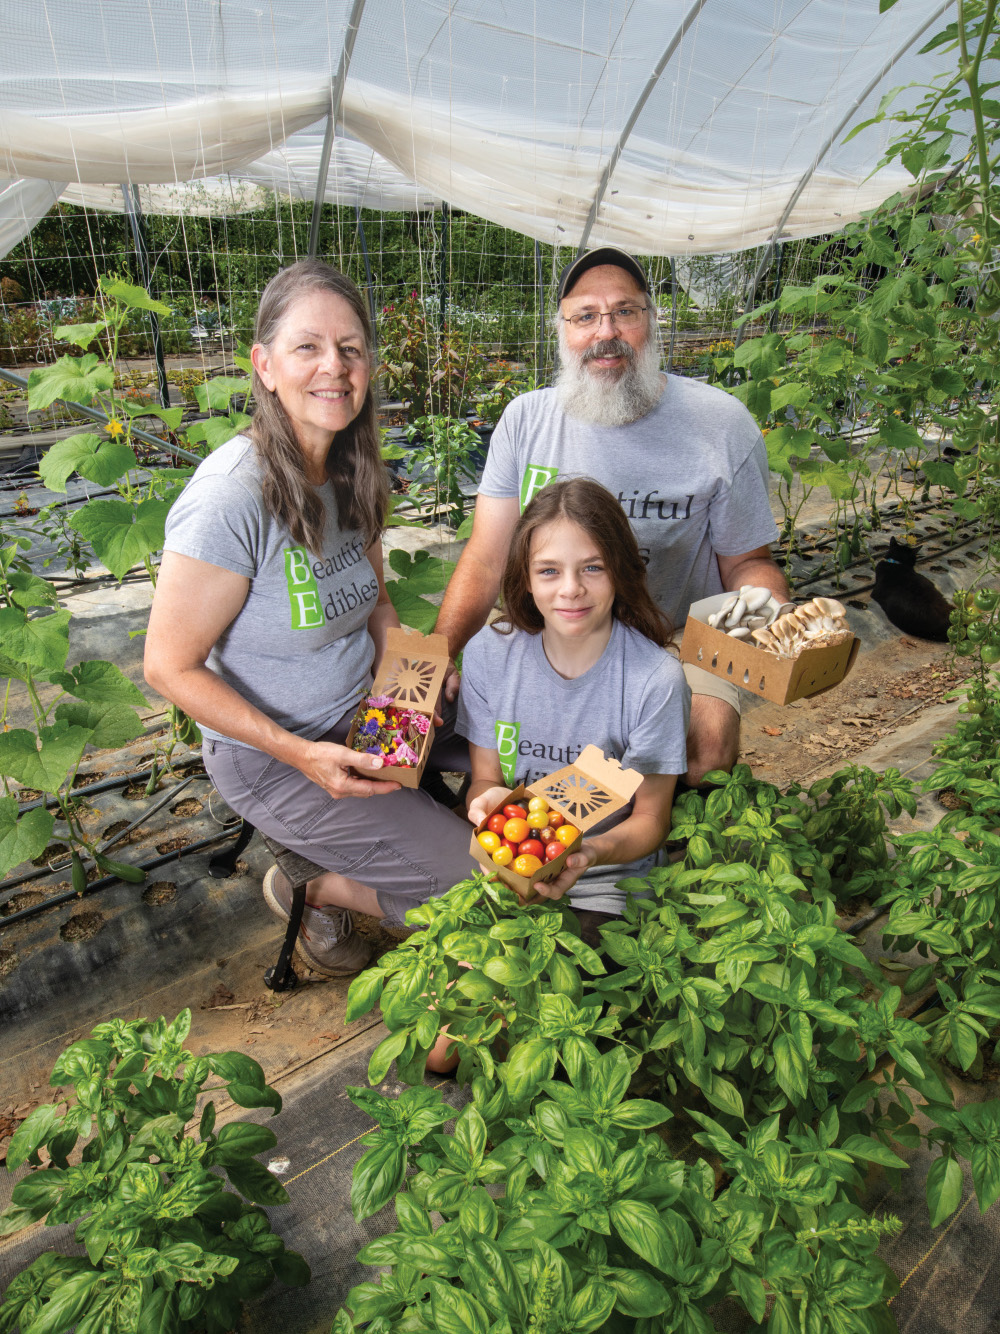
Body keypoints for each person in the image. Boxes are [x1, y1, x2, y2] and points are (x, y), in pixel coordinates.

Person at [144, 259, 474, 978]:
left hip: (368, 708)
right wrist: (300, 754)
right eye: (308, 347)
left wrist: (414, 672)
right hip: (276, 755)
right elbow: (167, 666)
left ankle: (427, 833)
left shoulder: (354, 469)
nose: (335, 367)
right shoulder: (231, 498)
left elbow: (379, 603)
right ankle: (317, 887)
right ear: (264, 366)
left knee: (535, 740)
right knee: (481, 891)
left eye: (351, 349)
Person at [435, 245, 789, 786]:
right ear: (562, 329)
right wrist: (437, 656)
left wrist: (770, 619)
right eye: (585, 316)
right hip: (550, 627)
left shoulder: (719, 424)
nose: (607, 331)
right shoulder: (525, 420)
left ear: (651, 320)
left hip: (673, 633)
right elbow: (485, 560)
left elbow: (749, 564)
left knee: (706, 748)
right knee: (462, 736)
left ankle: (620, 833)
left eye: (625, 312)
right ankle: (581, 826)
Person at [458, 477, 690, 933]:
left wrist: (590, 853)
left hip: (607, 879)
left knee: (569, 981)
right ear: (524, 578)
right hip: (515, 866)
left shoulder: (653, 680)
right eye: (548, 570)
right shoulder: (490, 654)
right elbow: (486, 777)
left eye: (592, 568)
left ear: (621, 571)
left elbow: (650, 818)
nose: (570, 589)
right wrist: (488, 804)